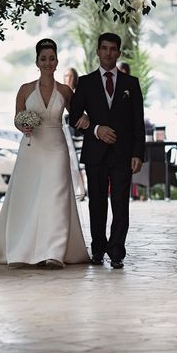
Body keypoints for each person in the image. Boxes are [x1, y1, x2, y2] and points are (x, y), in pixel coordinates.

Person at [0, 39, 90, 268]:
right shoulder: (25, 90)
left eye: (52, 58)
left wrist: (86, 119)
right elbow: (18, 118)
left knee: (56, 198)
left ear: (57, 61)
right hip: (31, 148)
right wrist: (23, 126)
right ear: (37, 62)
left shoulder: (66, 91)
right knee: (28, 198)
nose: (48, 62)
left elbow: (78, 116)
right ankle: (22, 249)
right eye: (43, 58)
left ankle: (54, 252)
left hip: (57, 146)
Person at [69, 32, 145, 269]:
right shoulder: (85, 82)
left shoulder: (131, 84)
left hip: (123, 154)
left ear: (119, 53)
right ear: (98, 51)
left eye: (113, 49)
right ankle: (98, 249)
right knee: (97, 204)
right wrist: (96, 129)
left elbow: (137, 122)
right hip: (95, 153)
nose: (109, 53)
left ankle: (117, 252)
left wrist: (138, 153)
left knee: (121, 204)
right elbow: (73, 117)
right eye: (104, 48)